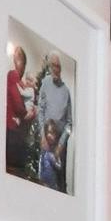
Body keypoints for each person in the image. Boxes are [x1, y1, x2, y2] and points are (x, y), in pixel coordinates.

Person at [36, 52, 72, 191]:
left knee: (60, 181)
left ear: (60, 68)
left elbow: (69, 124)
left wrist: (61, 145)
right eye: (53, 66)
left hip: (60, 144)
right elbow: (41, 110)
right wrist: (43, 136)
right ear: (49, 67)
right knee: (44, 177)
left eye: (58, 66)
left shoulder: (66, 91)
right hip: (46, 139)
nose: (55, 69)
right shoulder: (45, 83)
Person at [5, 45, 34, 174]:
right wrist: (27, 114)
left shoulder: (21, 82)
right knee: (12, 169)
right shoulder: (12, 75)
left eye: (20, 59)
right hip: (12, 129)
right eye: (17, 59)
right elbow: (17, 105)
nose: (18, 63)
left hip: (18, 132)